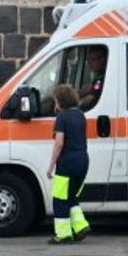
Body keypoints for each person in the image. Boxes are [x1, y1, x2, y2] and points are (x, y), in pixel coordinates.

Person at [46, 84, 91, 245]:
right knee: (72, 196)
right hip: (83, 160)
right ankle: (80, 226)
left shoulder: (62, 118)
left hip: (67, 162)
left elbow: (59, 143)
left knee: (59, 199)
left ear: (59, 102)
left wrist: (51, 165)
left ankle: (63, 234)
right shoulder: (80, 115)